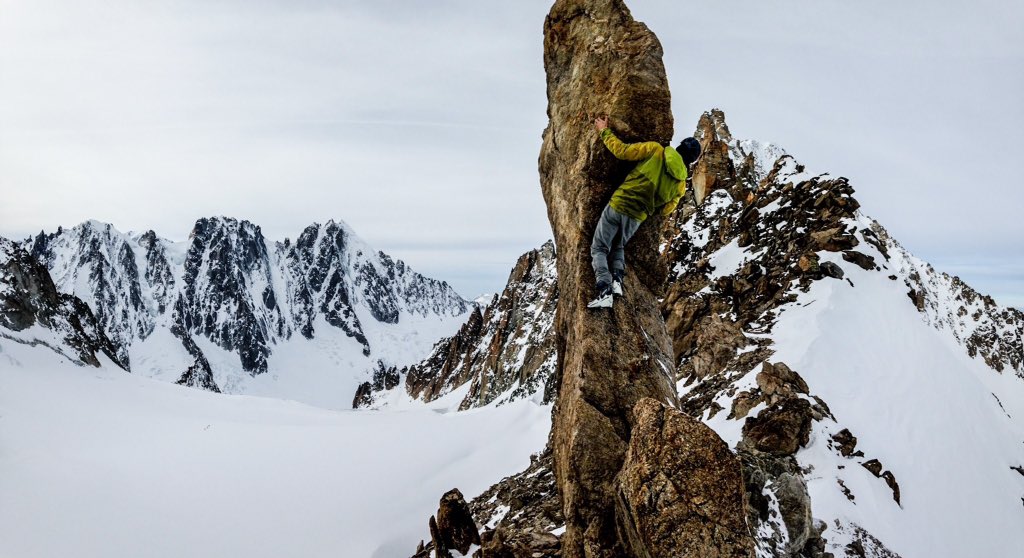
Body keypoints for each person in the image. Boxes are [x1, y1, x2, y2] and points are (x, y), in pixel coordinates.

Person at [588, 115, 702, 309]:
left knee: (599, 248)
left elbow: (622, 151)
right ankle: (617, 281)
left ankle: (604, 289)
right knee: (618, 246)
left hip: (619, 203)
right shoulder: (681, 185)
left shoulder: (656, 150)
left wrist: (604, 131)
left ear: (680, 147)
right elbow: (666, 209)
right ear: (691, 161)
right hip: (637, 216)